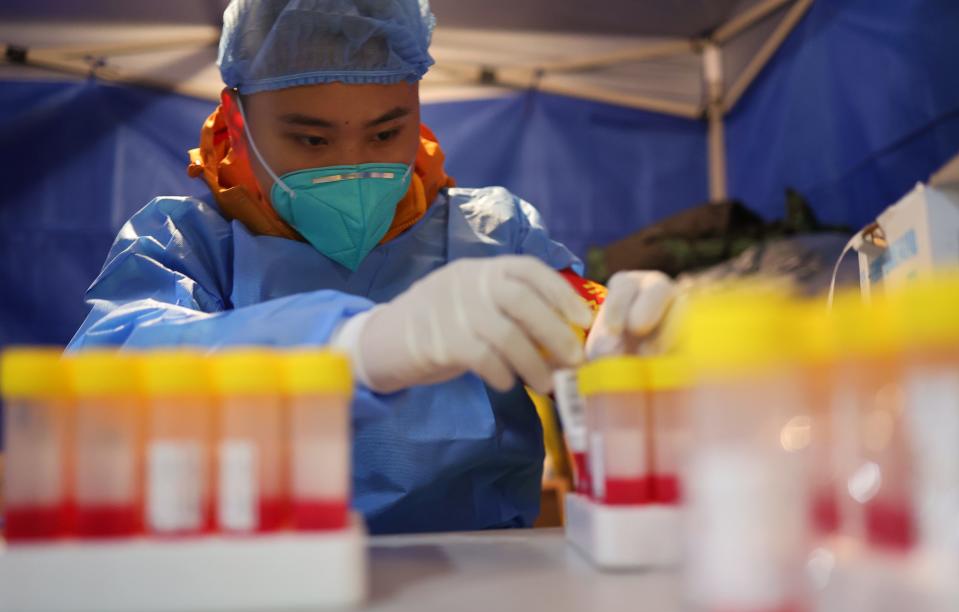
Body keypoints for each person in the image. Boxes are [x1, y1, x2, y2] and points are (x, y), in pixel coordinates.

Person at [67, 0, 674, 534]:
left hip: (485, 578)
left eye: (386, 133)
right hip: (262, 583)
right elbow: (102, 379)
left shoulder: (492, 233)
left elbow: (584, 323)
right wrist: (347, 346)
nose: (352, 165)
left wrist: (637, 345)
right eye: (311, 141)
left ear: (416, 105)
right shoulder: (190, 242)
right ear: (237, 117)